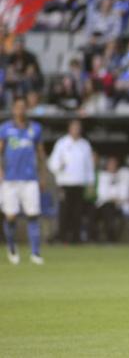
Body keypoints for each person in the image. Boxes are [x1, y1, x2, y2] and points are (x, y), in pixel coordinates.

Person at [0, 97, 47, 265]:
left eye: (23, 107)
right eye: (17, 107)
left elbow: (41, 155)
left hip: (30, 179)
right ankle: (12, 247)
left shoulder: (35, 129)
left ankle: (35, 253)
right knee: (11, 216)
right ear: (13, 109)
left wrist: (43, 176)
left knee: (33, 215)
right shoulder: (5, 129)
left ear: (26, 109)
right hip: (10, 179)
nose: (20, 110)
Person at [48, 119, 95, 244]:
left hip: (79, 183)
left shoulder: (85, 145)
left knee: (77, 212)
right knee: (64, 211)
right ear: (69, 129)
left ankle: (76, 238)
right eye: (74, 127)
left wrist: (90, 182)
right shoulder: (62, 144)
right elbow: (52, 163)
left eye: (78, 127)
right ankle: (62, 237)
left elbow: (89, 166)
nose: (76, 130)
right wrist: (59, 166)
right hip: (65, 183)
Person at [96, 156, 129, 242]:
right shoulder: (102, 176)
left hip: (123, 205)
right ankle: (110, 239)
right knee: (108, 211)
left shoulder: (125, 173)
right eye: (110, 163)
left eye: (114, 163)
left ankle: (115, 240)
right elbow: (102, 194)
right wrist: (114, 200)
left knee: (123, 217)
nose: (113, 165)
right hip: (106, 205)